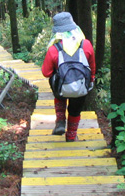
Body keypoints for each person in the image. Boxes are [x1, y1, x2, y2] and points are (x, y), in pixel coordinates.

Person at [41, 12, 96, 142]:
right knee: (75, 109)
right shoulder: (86, 44)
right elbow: (91, 67)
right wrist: (91, 79)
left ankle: (60, 120)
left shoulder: (54, 48)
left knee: (58, 85)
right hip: (81, 86)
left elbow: (46, 72)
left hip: (61, 88)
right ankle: (71, 135)